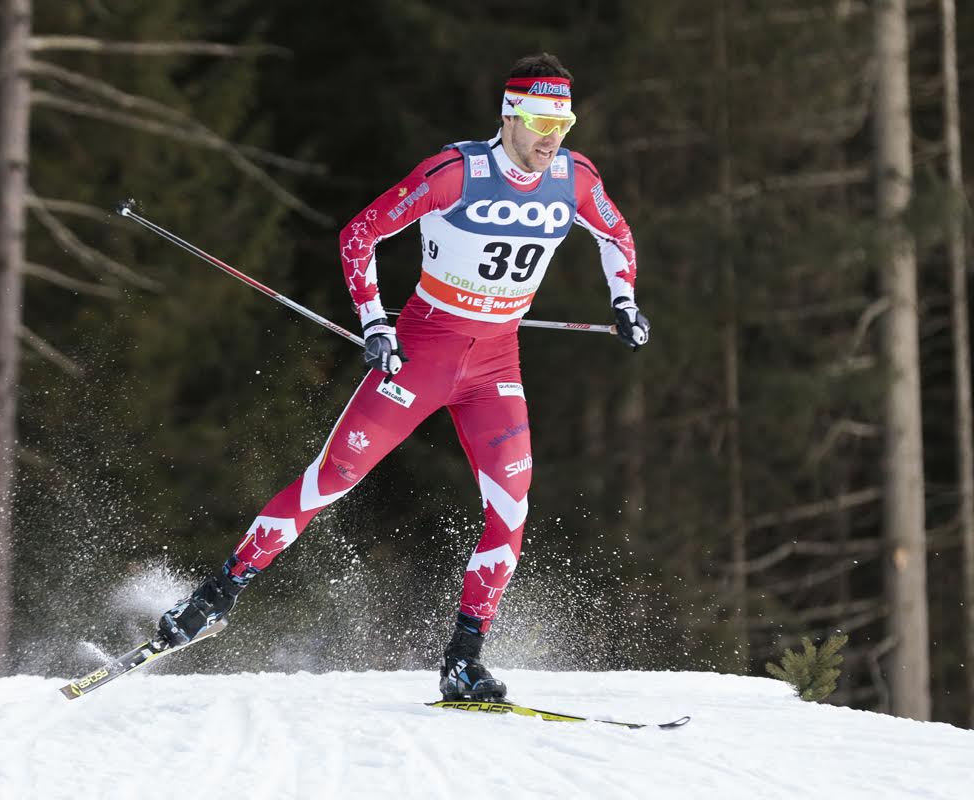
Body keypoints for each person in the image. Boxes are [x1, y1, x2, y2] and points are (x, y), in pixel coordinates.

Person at [156, 52, 649, 701]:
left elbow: (616, 235)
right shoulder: (455, 173)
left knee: (511, 510)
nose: (549, 136)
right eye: (536, 121)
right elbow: (360, 233)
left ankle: (462, 662)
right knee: (334, 476)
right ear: (508, 117)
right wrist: (376, 323)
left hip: (495, 362)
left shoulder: (574, 178)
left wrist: (624, 302)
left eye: (562, 121)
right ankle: (217, 595)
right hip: (424, 349)